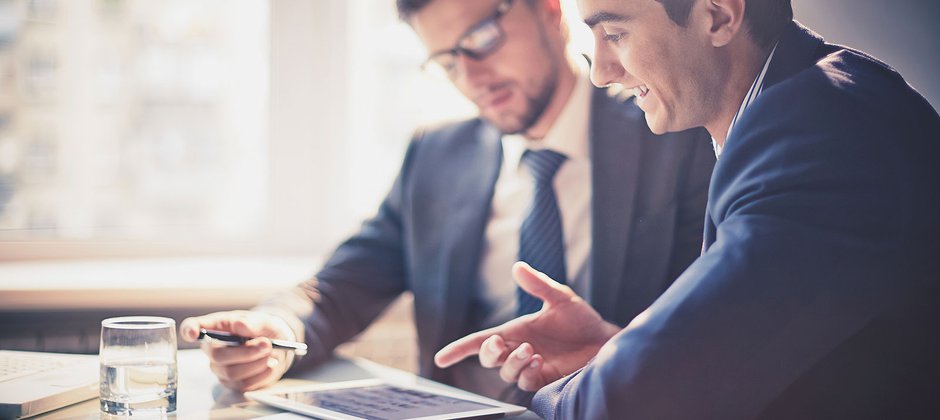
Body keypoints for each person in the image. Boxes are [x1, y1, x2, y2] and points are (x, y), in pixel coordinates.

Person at [178, 0, 715, 403]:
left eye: (481, 37)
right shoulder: (437, 156)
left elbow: (711, 334)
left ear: (550, 10)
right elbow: (340, 288)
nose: (472, 76)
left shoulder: (670, 133)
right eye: (447, 62)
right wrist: (277, 332)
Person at [434, 0, 940, 417]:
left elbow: (628, 402)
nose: (601, 73)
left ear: (718, 14)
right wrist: (615, 350)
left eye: (614, 34)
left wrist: (575, 391)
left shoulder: (820, 135)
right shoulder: (792, 111)